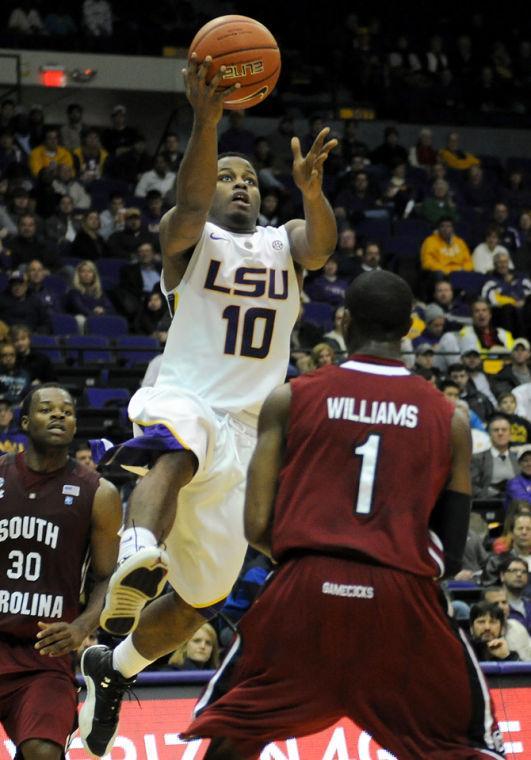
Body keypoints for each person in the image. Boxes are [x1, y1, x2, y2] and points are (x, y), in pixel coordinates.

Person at [78, 53, 338, 759]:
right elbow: (188, 208)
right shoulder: (189, 239)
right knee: (177, 440)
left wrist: (311, 192)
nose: (240, 185)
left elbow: (319, 247)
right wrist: (206, 122)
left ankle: (114, 667)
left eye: (250, 178)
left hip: (251, 434)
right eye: (227, 175)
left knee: (203, 594)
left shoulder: (281, 241)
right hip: (187, 397)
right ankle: (139, 548)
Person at [179, 269, 504, 759]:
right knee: (464, 745)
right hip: (400, 593)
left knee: (233, 736)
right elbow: (452, 551)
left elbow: (257, 524)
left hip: (306, 586)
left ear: (344, 321)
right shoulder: (449, 417)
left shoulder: (290, 398)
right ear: (411, 326)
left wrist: (319, 560)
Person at [0, 383, 122, 760]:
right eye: (46, 409)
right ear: (24, 422)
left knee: (43, 752)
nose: (58, 415)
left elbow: (107, 577)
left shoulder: (99, 493)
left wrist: (82, 627)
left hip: (44, 654)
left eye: (67, 411)